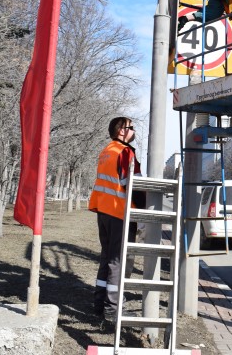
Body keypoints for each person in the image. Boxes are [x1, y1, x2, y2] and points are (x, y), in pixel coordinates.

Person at [88, 116, 144, 322]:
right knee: (117, 262)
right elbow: (133, 184)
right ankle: (113, 310)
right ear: (122, 131)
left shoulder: (107, 150)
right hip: (119, 212)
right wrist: (144, 210)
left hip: (104, 211)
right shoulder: (125, 152)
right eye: (131, 127)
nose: (134, 130)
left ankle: (99, 304)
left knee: (106, 259)